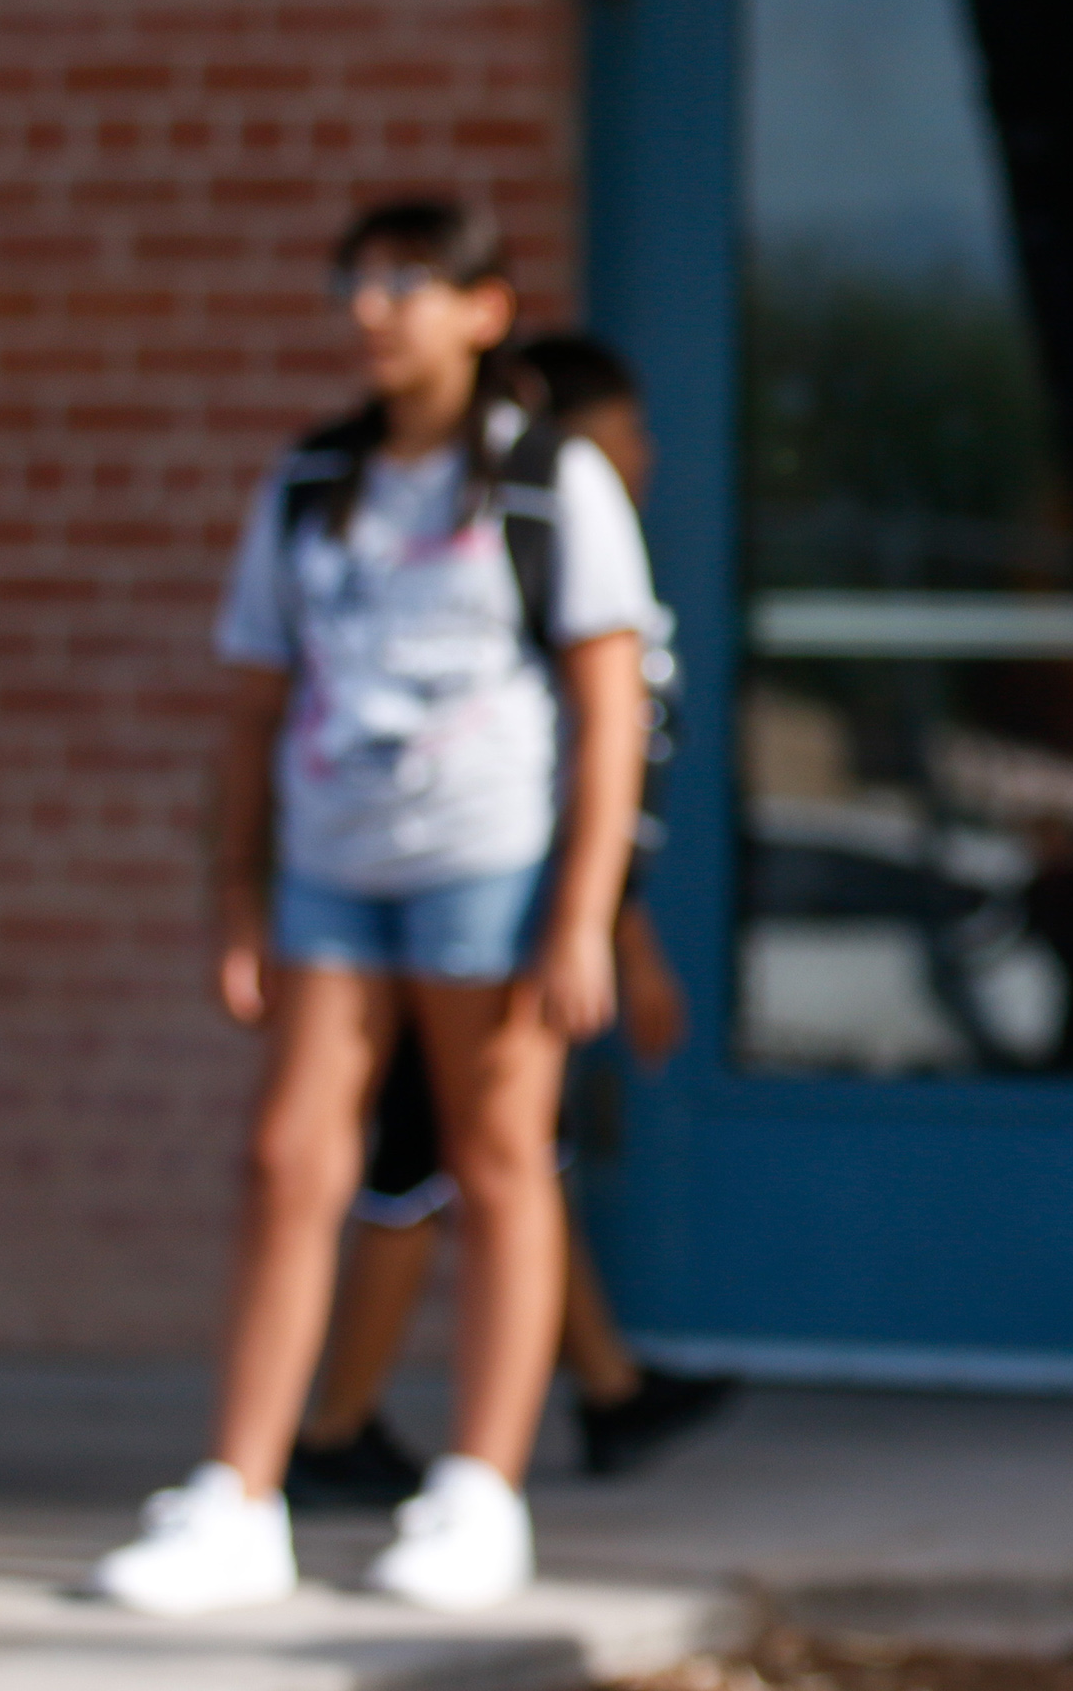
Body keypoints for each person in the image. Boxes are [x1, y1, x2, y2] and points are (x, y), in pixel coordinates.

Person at [94, 202, 656, 1615]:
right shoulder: (309, 483)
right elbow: (249, 710)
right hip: (332, 874)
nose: (374, 306)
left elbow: (607, 712)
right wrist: (233, 894)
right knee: (291, 1159)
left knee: (498, 1155)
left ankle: (479, 1491)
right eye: (358, 280)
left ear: (483, 308)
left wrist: (584, 912)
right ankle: (238, 1494)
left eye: (410, 281)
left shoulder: (548, 482)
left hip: (490, 869)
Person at [284, 333, 732, 1508]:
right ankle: (331, 1426)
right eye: (629, 429)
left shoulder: (588, 568)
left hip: (507, 911)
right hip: (482, 912)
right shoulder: (523, 539)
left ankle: (608, 1385)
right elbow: (600, 776)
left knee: (509, 1154)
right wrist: (615, 938)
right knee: (429, 1156)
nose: (649, 451)